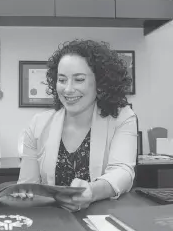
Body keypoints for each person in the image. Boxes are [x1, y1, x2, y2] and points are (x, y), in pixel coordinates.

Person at [16, 39, 137, 212]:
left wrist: (92, 192)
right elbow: (28, 186)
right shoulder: (38, 124)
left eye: (79, 79)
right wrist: (24, 193)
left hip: (102, 220)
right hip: (53, 221)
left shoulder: (122, 117)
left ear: (100, 82)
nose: (68, 89)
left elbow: (123, 172)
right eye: (62, 80)